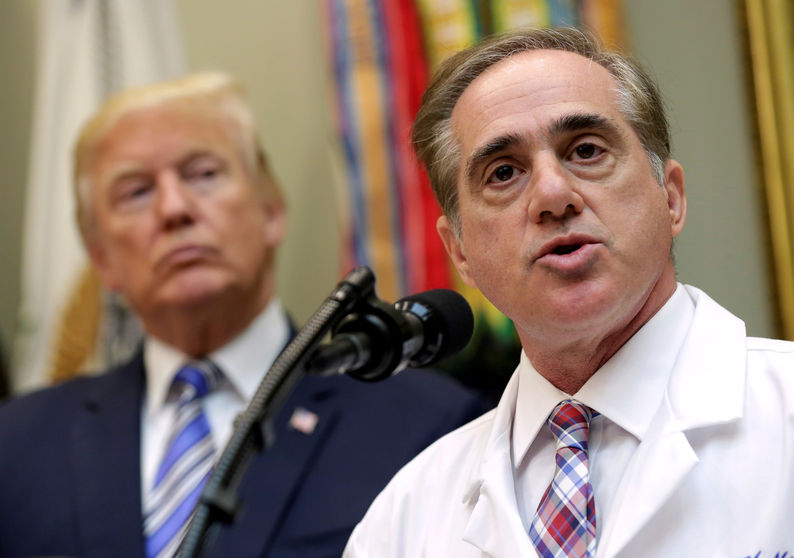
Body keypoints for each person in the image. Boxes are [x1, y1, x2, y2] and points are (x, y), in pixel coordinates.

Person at [344, 26, 794, 558]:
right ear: (460, 251)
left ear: (670, 197)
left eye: (585, 150)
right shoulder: (405, 519)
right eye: (504, 172)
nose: (553, 195)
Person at [0, 72, 487, 558]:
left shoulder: (431, 427)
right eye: (136, 192)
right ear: (100, 257)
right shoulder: (17, 445)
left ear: (270, 209)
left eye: (204, 174)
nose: (174, 209)